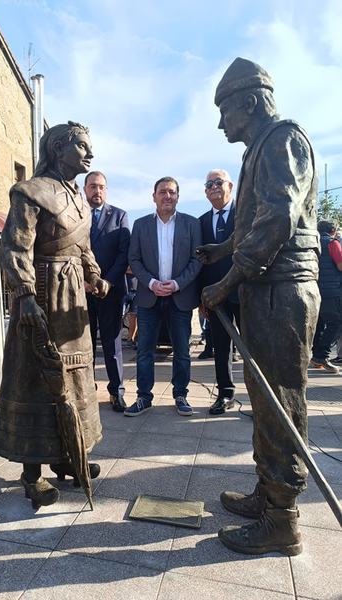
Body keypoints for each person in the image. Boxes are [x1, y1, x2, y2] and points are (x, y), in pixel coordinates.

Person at [198, 57, 320, 556]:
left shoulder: (283, 139)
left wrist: (225, 281)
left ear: (249, 102)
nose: (220, 123)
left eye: (224, 111)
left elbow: (278, 219)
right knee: (265, 401)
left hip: (281, 291)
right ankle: (268, 494)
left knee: (280, 402)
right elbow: (254, 221)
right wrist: (222, 250)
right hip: (264, 290)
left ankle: (282, 519)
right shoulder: (259, 149)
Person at [0, 122, 110, 508]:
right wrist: (25, 295)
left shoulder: (79, 199)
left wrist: (93, 275)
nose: (89, 154)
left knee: (74, 376)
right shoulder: (30, 191)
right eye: (82, 146)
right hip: (42, 295)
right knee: (37, 379)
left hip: (72, 299)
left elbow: (83, 246)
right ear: (59, 149)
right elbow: (16, 248)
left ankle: (67, 455)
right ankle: (31, 473)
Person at [125, 176, 202, 417]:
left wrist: (177, 284)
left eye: (171, 192)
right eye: (162, 192)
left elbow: (197, 259)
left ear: (178, 196)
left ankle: (180, 395)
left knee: (182, 351)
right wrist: (151, 283)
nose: (167, 196)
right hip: (149, 297)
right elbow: (134, 259)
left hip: (180, 297)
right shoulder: (141, 225)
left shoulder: (191, 224)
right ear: (154, 196)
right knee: (144, 351)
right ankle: (143, 397)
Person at [84, 171, 130, 412]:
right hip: (81, 292)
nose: (97, 191)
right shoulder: (76, 215)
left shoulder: (119, 216)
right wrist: (83, 281)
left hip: (111, 291)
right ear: (85, 189)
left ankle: (116, 391)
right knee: (84, 344)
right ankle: (86, 389)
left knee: (112, 344)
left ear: (106, 190)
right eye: (93, 186)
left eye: (101, 186)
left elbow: (124, 255)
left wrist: (106, 282)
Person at [199, 169, 239, 414]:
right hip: (216, 297)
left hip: (245, 293)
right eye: (209, 184)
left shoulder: (245, 214)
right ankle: (225, 394)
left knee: (254, 348)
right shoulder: (201, 222)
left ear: (230, 186)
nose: (214, 187)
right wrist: (201, 298)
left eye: (218, 182)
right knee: (221, 348)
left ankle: (260, 397)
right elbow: (200, 261)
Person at [310, 220, 342, 373]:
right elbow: (340, 265)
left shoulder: (313, 243)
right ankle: (321, 356)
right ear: (333, 231)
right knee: (336, 322)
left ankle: (316, 355)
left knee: (320, 323)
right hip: (331, 290)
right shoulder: (332, 243)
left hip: (314, 289)